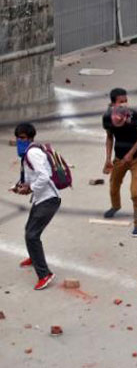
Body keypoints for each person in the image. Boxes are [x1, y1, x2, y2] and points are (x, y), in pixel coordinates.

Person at [12, 123, 61, 290]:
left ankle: (45, 274)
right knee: (30, 230)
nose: (20, 141)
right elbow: (32, 178)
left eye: (23, 138)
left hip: (49, 199)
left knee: (32, 235)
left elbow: (45, 176)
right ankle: (34, 257)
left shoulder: (32, 153)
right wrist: (20, 187)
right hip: (40, 199)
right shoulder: (28, 153)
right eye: (18, 138)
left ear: (30, 138)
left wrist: (30, 188)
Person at [102, 88, 137, 237]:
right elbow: (109, 137)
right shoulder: (108, 118)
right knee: (113, 186)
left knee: (135, 192)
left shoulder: (133, 115)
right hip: (119, 159)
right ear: (113, 103)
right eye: (121, 101)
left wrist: (131, 153)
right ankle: (115, 206)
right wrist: (108, 159)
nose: (125, 104)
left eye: (126, 101)